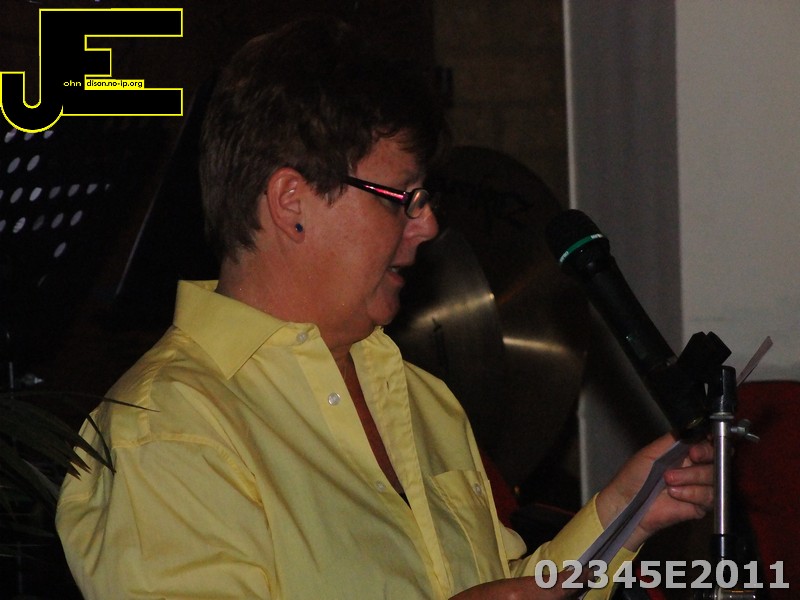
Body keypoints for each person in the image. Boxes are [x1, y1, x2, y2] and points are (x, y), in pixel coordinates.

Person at [56, 15, 713, 600]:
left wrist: (620, 514)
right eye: (403, 197)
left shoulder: (420, 396)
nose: (428, 226)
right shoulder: (166, 428)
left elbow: (497, 588)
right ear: (292, 203)